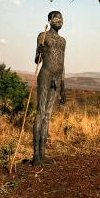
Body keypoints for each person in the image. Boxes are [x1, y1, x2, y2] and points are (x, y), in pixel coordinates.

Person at [32, 11, 66, 166]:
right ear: (49, 20)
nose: (59, 20)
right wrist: (39, 51)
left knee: (48, 115)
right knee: (40, 113)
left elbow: (62, 63)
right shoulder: (43, 36)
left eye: (61, 18)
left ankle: (43, 154)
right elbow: (37, 60)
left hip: (57, 79)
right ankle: (36, 157)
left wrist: (63, 87)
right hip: (45, 75)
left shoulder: (63, 41)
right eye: (56, 18)